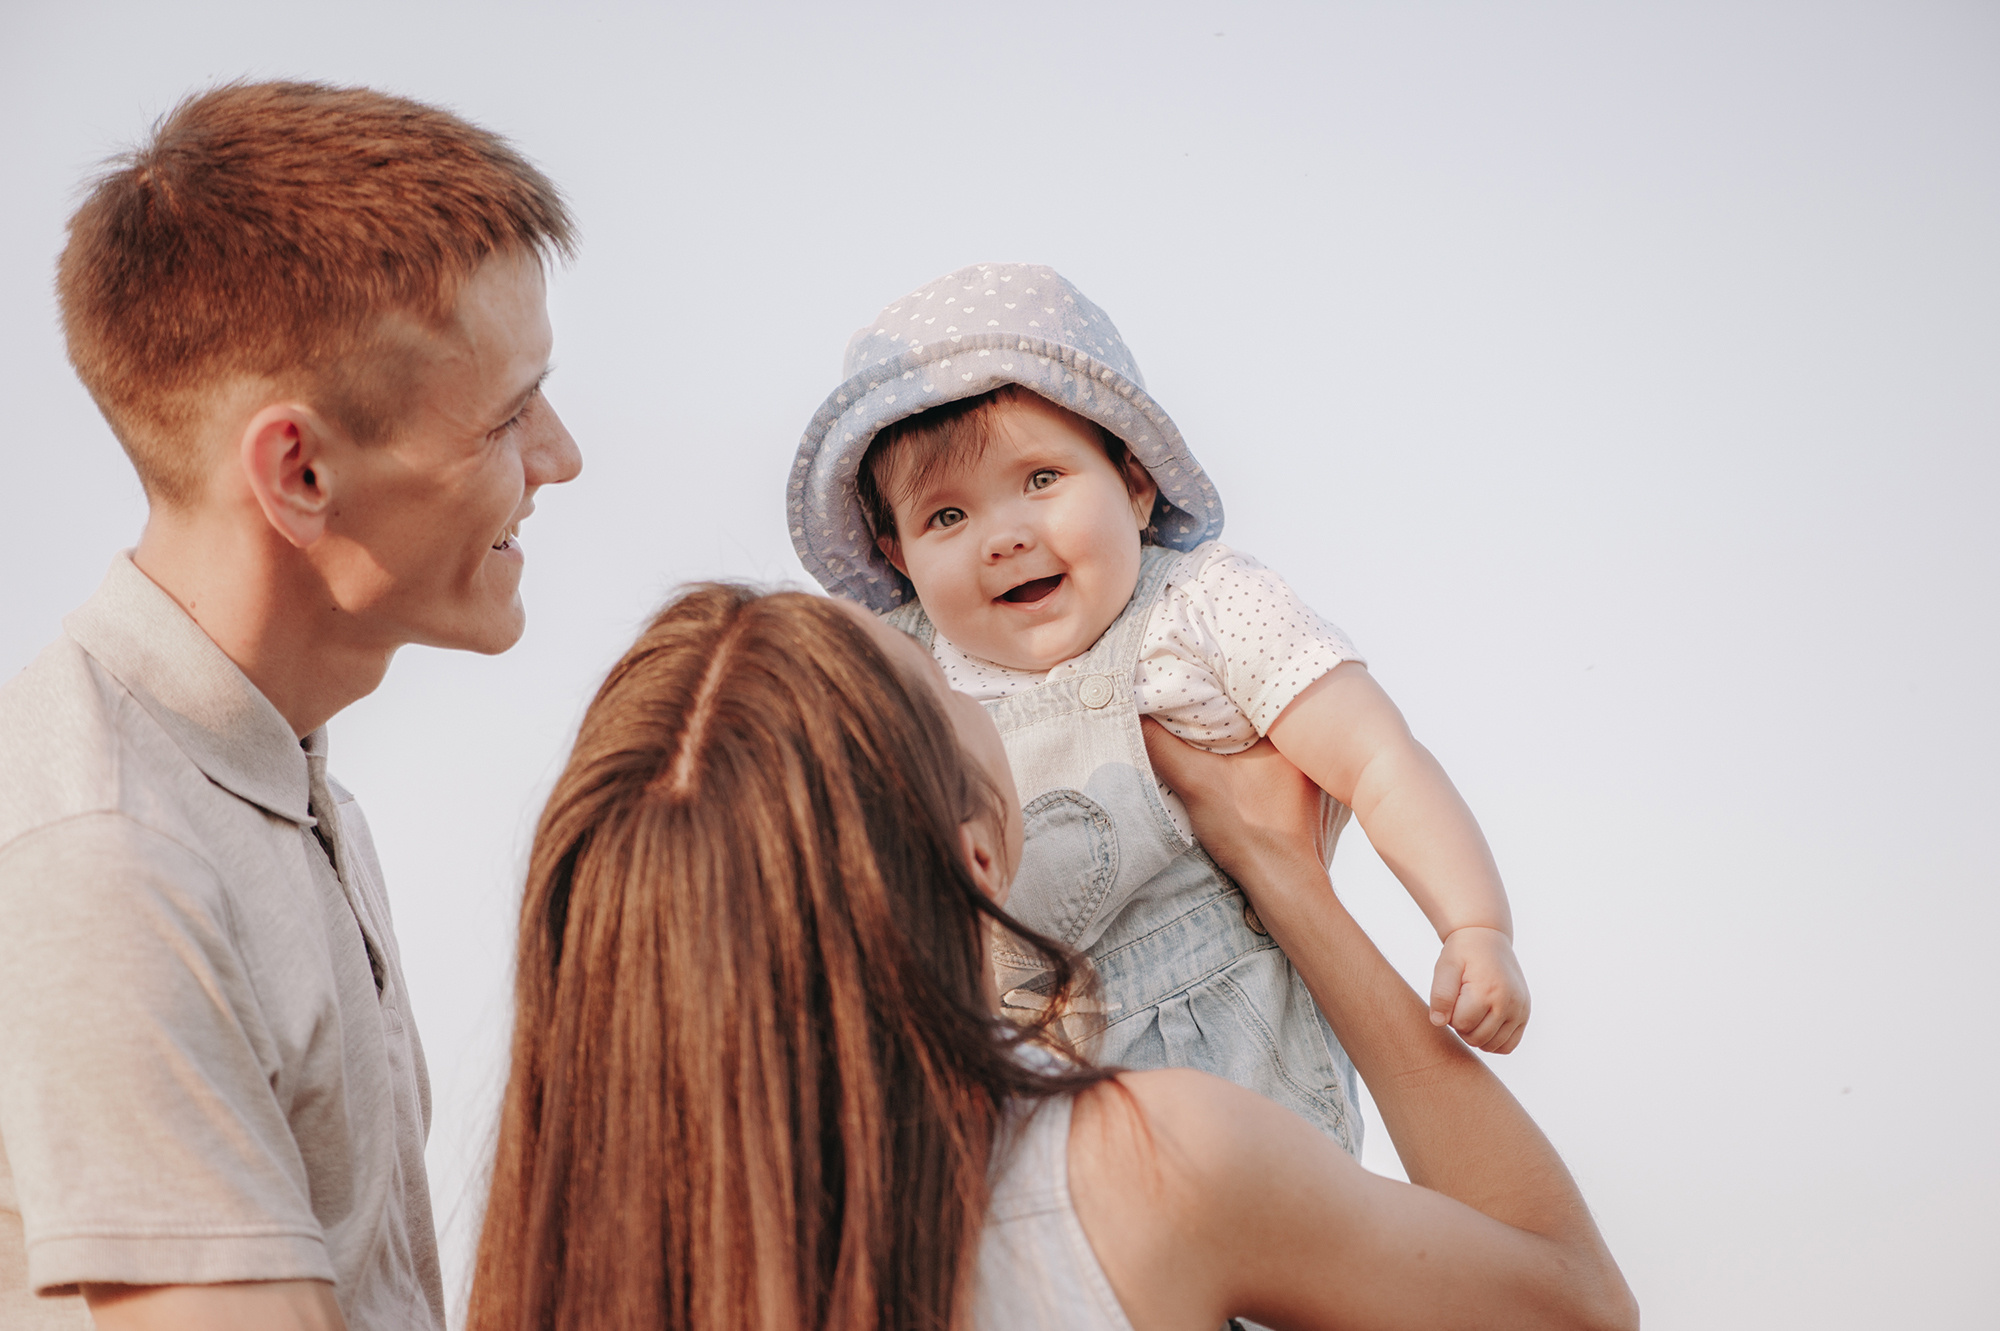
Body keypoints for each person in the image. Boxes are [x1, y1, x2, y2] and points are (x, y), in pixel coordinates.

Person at [468, 583, 1634, 1330]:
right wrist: (1282, 872)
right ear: (975, 860)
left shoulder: (556, 1268)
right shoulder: (1150, 1165)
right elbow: (1573, 1305)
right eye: (940, 681)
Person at [0, 82, 581, 1331]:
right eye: (507, 415)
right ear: (300, 470)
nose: (560, 456)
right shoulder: (112, 858)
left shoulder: (279, 786)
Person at [786, 262, 1528, 1159]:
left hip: (1233, 1078)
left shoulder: (1200, 611)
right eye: (946, 516)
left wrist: (1473, 924)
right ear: (897, 555)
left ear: (1135, 483)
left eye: (1041, 478)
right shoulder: (904, 673)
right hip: (1017, 1106)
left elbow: (1378, 759)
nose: (1004, 536)